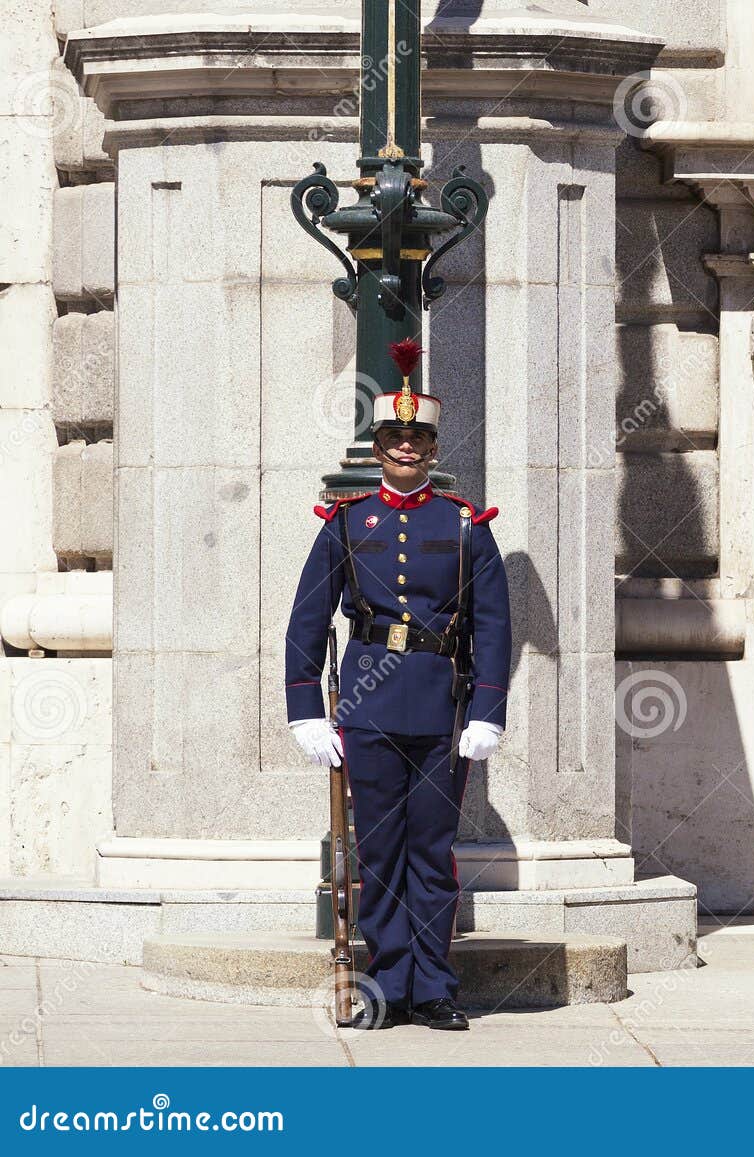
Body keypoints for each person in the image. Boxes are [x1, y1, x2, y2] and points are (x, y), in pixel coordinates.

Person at [284, 339, 511, 1030]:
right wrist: (305, 709)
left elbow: (494, 623)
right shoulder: (346, 524)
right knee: (378, 848)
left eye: (418, 438)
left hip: (441, 709)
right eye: (393, 437)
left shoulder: (466, 525)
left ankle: (434, 985)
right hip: (368, 705)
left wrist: (487, 709)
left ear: (434, 447)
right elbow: (308, 620)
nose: (406, 448)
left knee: (432, 852)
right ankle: (386, 984)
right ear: (377, 445)